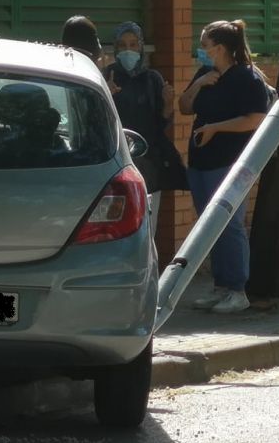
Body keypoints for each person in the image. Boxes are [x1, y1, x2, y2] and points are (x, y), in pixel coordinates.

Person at [178, 19, 269, 314]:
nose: (200, 50)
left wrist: (216, 128)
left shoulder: (247, 78)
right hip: (201, 162)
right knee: (209, 225)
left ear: (219, 48)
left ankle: (237, 290)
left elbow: (255, 118)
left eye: (204, 45)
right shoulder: (205, 73)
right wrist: (198, 85)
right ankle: (220, 287)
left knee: (229, 225)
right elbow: (184, 107)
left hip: (230, 164)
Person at [106, 22, 188, 244]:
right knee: (117, 228)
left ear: (141, 46)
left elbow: (161, 124)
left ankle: (148, 275)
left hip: (148, 163)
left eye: (133, 44)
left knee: (147, 227)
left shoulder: (152, 79)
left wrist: (168, 105)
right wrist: (108, 96)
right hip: (116, 162)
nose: (128, 50)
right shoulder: (108, 76)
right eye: (122, 45)